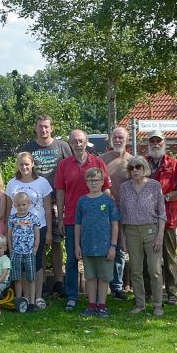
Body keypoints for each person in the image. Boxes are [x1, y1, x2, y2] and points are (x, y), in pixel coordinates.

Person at [55, 130, 111, 311]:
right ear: (69, 143)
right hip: (72, 218)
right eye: (74, 141)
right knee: (72, 259)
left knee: (98, 257)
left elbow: (107, 190)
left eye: (81, 140)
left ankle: (99, 299)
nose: (77, 144)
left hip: (96, 222)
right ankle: (72, 296)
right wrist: (61, 218)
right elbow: (60, 192)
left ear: (86, 142)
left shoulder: (98, 162)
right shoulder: (63, 165)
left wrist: (107, 215)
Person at [19, 114, 71, 292]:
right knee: (37, 244)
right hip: (34, 205)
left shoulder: (62, 147)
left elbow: (70, 171)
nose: (43, 130)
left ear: (52, 128)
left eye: (46, 126)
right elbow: (21, 171)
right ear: (36, 128)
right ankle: (39, 283)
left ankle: (58, 282)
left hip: (57, 201)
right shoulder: (29, 148)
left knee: (56, 242)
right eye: (40, 126)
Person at [119, 156, 167, 316]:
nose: (135, 170)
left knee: (154, 270)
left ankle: (157, 305)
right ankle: (140, 304)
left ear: (144, 168)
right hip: (131, 231)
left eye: (138, 167)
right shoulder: (124, 188)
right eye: (131, 168)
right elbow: (122, 214)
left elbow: (162, 213)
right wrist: (123, 237)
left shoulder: (154, 186)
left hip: (151, 231)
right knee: (136, 270)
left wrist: (160, 235)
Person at [5, 152, 53, 309]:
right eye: (21, 164)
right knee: (21, 265)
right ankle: (24, 298)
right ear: (17, 166)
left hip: (37, 229)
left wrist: (50, 231)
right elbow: (8, 209)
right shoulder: (12, 183)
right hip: (17, 231)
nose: (24, 167)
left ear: (32, 164)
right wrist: (8, 231)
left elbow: (47, 209)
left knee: (36, 263)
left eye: (27, 164)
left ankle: (37, 297)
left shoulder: (42, 182)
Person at [145, 130, 177, 304]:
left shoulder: (175, 164)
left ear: (164, 143)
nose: (155, 143)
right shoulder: (141, 163)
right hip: (145, 219)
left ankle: (171, 292)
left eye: (158, 141)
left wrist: (165, 197)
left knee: (169, 257)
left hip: (167, 219)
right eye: (152, 141)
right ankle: (148, 293)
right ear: (148, 144)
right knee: (147, 257)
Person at [74, 168, 120, 318]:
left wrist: (113, 246)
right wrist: (77, 245)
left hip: (105, 247)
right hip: (87, 247)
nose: (93, 183)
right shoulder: (82, 201)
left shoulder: (108, 201)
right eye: (90, 180)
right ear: (86, 182)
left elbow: (114, 224)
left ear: (102, 182)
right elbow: (78, 225)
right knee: (91, 277)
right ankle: (92, 305)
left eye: (96, 180)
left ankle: (102, 306)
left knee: (103, 278)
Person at [100, 126, 132, 300]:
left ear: (126, 139)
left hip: (125, 212)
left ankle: (117, 286)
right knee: (104, 248)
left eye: (121, 137)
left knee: (119, 248)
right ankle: (103, 284)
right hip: (104, 212)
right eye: (115, 137)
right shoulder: (101, 160)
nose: (118, 140)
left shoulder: (132, 161)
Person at [7, 192, 40, 311]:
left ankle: (31, 302)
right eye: (18, 205)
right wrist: (11, 249)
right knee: (18, 278)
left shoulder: (33, 218)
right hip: (16, 253)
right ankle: (19, 301)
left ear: (29, 204)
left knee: (31, 278)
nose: (21, 207)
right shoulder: (12, 219)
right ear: (14, 205)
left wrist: (35, 249)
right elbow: (9, 235)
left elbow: (37, 235)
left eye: (24, 204)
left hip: (29, 253)